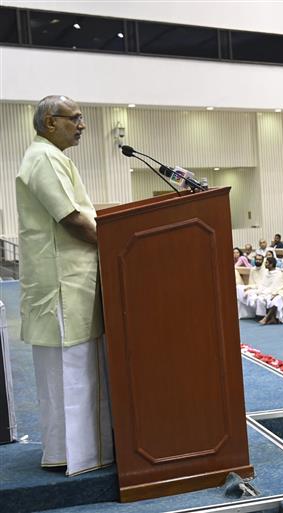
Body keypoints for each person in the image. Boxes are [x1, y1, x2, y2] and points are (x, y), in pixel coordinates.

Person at [15, 95, 113, 475]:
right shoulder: (42, 157)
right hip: (61, 284)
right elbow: (72, 219)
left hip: (74, 280)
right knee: (69, 372)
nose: (82, 124)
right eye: (75, 118)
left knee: (81, 370)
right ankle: (71, 454)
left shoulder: (54, 157)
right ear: (50, 122)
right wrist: (115, 243)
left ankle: (83, 452)